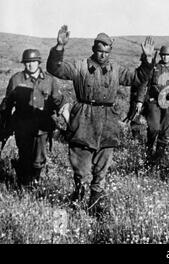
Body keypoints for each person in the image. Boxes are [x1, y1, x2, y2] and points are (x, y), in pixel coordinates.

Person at [46, 25, 153, 216]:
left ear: (110, 52)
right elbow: (55, 68)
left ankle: (96, 204)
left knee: (103, 165)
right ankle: (78, 199)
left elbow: (138, 78)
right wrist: (59, 47)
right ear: (93, 50)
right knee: (81, 165)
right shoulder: (80, 66)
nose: (102, 55)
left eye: (106, 51)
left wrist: (147, 60)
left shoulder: (116, 70)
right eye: (99, 51)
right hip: (84, 120)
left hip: (108, 122)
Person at [0, 49, 65, 188]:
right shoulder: (16, 79)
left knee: (38, 160)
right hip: (22, 126)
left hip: (42, 127)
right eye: (27, 62)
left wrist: (65, 116)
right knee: (24, 156)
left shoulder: (49, 80)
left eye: (33, 62)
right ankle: (25, 184)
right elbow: (7, 103)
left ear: (38, 62)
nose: (30, 65)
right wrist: (4, 124)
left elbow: (59, 101)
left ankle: (34, 180)